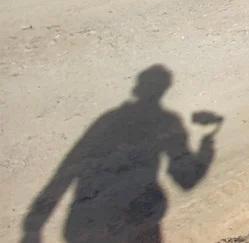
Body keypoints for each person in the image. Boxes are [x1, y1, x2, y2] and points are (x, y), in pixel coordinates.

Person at [22, 65, 221, 243]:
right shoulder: (167, 122)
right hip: (135, 225)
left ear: (137, 87)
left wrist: (33, 227)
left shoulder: (108, 120)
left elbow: (67, 170)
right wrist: (206, 145)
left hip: (87, 226)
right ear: (165, 90)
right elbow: (186, 180)